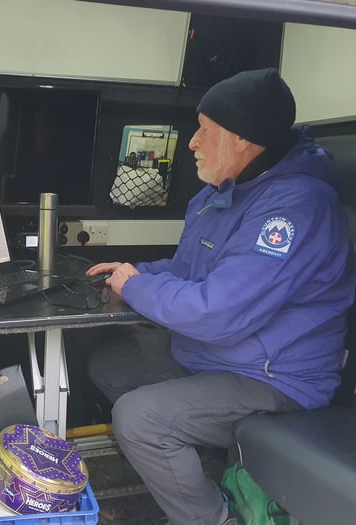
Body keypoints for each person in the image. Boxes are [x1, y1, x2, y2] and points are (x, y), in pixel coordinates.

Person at [85, 68, 356, 525]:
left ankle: (211, 518)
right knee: (110, 367)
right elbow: (188, 271)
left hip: (277, 377)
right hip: (221, 357)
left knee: (139, 417)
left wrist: (137, 287)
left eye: (204, 130)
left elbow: (218, 312)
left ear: (243, 142)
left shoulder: (294, 209)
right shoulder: (219, 195)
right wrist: (132, 274)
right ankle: (205, 474)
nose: (191, 142)